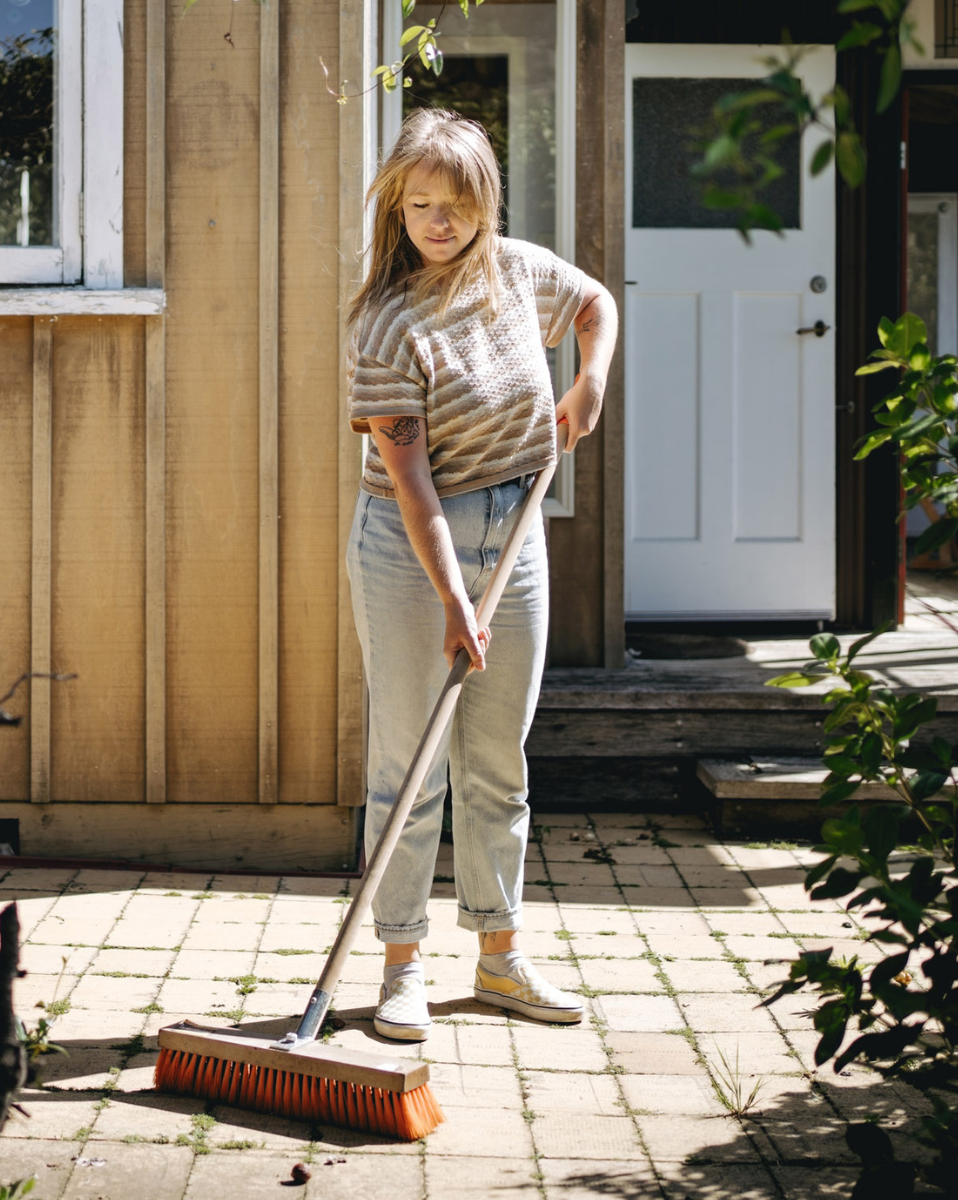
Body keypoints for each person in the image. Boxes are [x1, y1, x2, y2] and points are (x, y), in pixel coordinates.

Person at [345, 108, 617, 1041]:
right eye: (421, 202)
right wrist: (454, 597)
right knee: (410, 765)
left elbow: (596, 303)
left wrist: (589, 380)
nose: (439, 220)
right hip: (410, 546)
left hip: (515, 531)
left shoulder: (518, 273)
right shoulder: (386, 324)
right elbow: (411, 482)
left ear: (485, 203)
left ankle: (499, 957)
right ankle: (402, 964)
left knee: (498, 759)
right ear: (397, 205)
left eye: (456, 204)